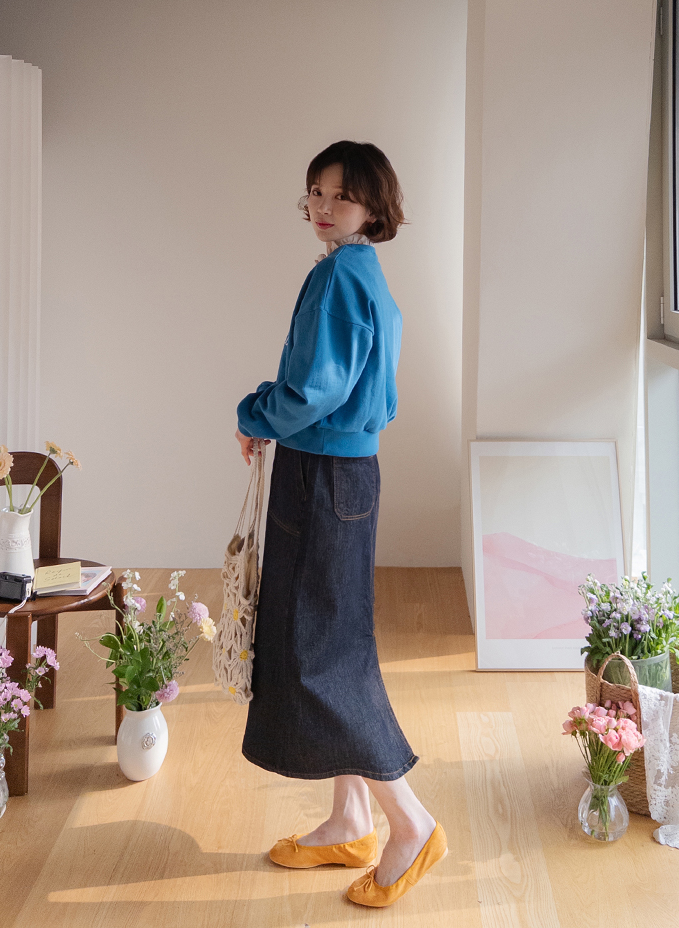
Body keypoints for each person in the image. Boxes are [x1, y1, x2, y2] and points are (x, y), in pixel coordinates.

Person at [234, 140, 447, 908]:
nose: (323, 207)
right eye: (316, 193)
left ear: (373, 206)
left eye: (341, 195)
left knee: (319, 655)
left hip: (321, 476)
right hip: (346, 473)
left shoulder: (335, 277)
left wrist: (254, 412)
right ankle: (351, 819)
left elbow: (314, 390)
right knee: (331, 641)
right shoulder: (365, 273)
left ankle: (409, 822)